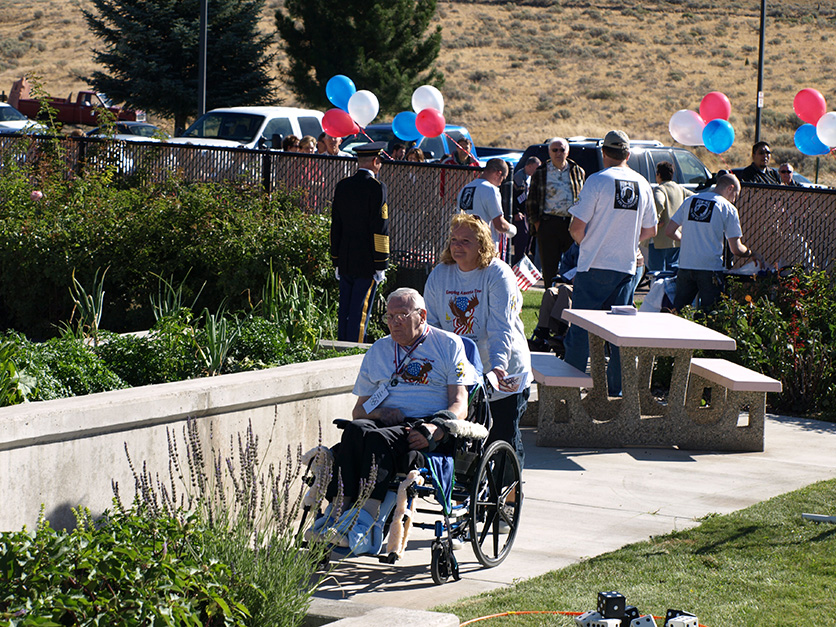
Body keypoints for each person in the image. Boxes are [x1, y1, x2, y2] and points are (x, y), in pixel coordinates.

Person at [311, 288, 474, 552]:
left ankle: (365, 524)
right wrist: (380, 413)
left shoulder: (448, 345)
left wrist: (438, 426)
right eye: (390, 316)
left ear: (421, 316)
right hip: (385, 424)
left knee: (375, 438)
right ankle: (337, 513)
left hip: (421, 430)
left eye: (402, 315)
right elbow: (360, 411)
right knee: (355, 429)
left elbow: (460, 403)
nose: (394, 322)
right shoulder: (379, 350)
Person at [424, 213, 531, 467]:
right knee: (464, 441)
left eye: (465, 241)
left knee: (502, 439)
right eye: (453, 240)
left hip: (503, 368)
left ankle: (507, 501)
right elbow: (433, 327)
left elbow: (500, 326)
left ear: (482, 245)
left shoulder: (497, 273)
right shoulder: (440, 275)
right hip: (462, 372)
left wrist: (498, 366)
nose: (457, 245)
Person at [563, 130, 657, 397]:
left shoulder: (596, 181)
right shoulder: (642, 183)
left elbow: (576, 227)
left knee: (580, 332)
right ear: (628, 155)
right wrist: (627, 242)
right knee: (620, 337)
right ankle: (618, 394)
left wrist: (591, 244)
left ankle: (570, 392)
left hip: (593, 266)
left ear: (604, 153)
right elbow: (651, 230)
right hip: (626, 268)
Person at [665, 173, 760, 312]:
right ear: (730, 188)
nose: (735, 199)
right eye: (736, 195)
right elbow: (736, 249)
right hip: (710, 268)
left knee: (679, 311)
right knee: (711, 314)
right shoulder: (728, 208)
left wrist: (686, 239)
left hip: (685, 265)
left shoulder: (690, 200)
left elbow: (669, 231)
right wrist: (752, 253)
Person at [330, 142, 390, 342]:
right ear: (375, 161)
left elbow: (336, 225)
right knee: (360, 311)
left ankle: (340, 346)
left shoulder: (343, 185)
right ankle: (353, 350)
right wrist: (381, 263)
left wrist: (336, 258)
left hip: (345, 256)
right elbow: (380, 227)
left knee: (345, 308)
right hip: (367, 259)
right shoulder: (377, 187)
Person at [526, 137, 586, 287]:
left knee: (574, 264)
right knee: (549, 266)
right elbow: (531, 200)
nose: (558, 153)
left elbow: (584, 198)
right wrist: (538, 224)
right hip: (548, 223)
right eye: (555, 150)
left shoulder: (577, 170)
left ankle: (571, 298)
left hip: (571, 223)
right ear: (549, 152)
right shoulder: (541, 172)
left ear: (568, 152)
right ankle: (549, 298)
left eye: (562, 150)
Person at [456, 158, 517, 260]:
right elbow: (499, 225)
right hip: (484, 247)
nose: (501, 183)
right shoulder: (491, 189)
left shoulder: (465, 189)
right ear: (498, 173)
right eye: (503, 178)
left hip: (464, 245)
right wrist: (512, 229)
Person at [646, 161, 692, 273]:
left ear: (658, 174)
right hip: (676, 237)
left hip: (659, 239)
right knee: (673, 270)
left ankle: (658, 290)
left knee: (657, 272)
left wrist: (655, 220)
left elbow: (659, 202)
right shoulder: (680, 189)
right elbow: (694, 197)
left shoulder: (660, 189)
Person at [511, 156, 541, 265]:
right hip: (519, 212)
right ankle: (517, 263)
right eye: (535, 168)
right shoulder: (519, 177)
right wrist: (515, 212)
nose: (537, 171)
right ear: (528, 166)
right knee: (522, 237)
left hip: (527, 211)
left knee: (529, 237)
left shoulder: (530, 177)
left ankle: (523, 261)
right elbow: (513, 197)